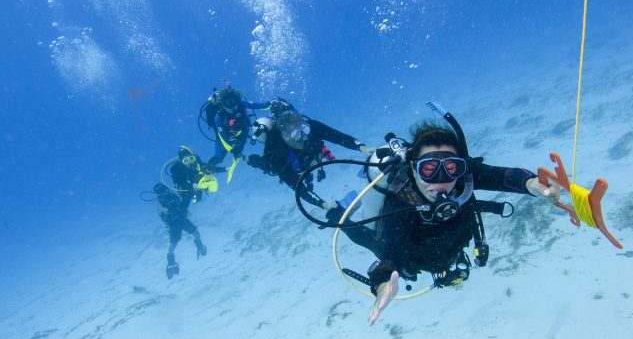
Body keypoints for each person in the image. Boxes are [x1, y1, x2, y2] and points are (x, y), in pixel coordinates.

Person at [332, 119, 559, 326]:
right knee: (363, 237)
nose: (441, 181)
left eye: (451, 169)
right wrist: (383, 283)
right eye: (429, 170)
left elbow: (504, 176)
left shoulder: (464, 179)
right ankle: (334, 212)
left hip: (450, 245)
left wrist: (532, 185)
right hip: (412, 256)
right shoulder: (399, 199)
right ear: (413, 168)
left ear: (461, 167)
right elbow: (392, 251)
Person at [245, 99, 375, 214]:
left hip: (305, 160)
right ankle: (248, 159)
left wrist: (362, 147)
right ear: (284, 137)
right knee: (265, 165)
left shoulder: (311, 126)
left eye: (302, 128)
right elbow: (298, 187)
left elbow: (337, 136)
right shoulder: (277, 155)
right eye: (296, 135)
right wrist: (324, 204)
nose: (303, 137)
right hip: (281, 162)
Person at [202, 84, 270, 178]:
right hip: (223, 136)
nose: (233, 107)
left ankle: (236, 155)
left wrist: (269, 105)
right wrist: (231, 148)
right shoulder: (219, 116)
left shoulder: (241, 105)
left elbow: (255, 105)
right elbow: (222, 136)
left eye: (235, 103)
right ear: (222, 104)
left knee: (238, 150)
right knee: (219, 157)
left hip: (242, 132)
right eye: (228, 104)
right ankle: (208, 168)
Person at [152, 183, 207, 279]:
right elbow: (162, 212)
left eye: (163, 190)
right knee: (174, 244)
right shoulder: (159, 201)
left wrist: (189, 193)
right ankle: (171, 262)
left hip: (181, 218)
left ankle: (200, 247)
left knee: (194, 234)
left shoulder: (173, 193)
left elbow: (183, 200)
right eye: (161, 192)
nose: (163, 193)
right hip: (174, 223)